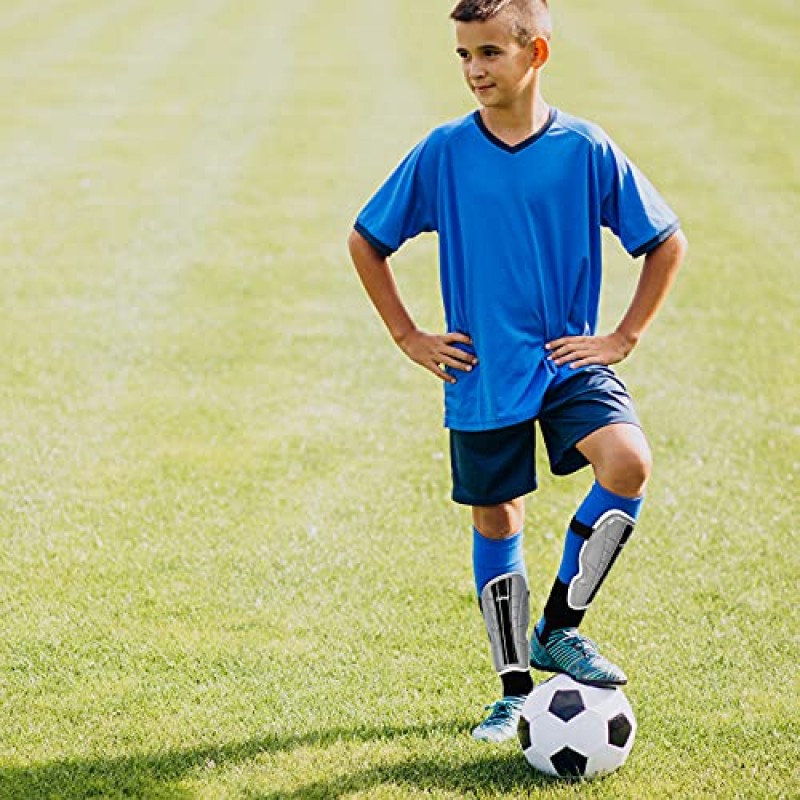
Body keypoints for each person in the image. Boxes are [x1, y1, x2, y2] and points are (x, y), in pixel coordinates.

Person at [347, 0, 687, 743]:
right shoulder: (443, 152)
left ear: (536, 53)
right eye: (464, 55)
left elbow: (665, 241)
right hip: (482, 370)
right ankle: (510, 692)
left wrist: (622, 336)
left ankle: (559, 625)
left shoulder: (586, 148)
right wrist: (407, 334)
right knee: (498, 518)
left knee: (628, 461)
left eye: (490, 53)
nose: (473, 70)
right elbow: (367, 240)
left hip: (566, 361)